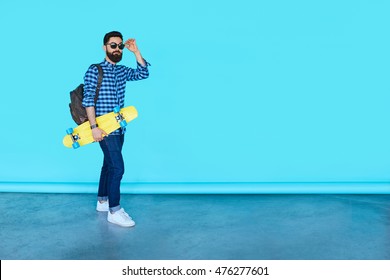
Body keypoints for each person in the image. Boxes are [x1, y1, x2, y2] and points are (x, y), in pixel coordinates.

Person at [82, 31, 150, 227]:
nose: (117, 49)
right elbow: (88, 101)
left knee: (108, 165)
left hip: (119, 127)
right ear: (105, 47)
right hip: (103, 129)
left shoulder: (121, 71)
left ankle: (103, 201)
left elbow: (143, 73)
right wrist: (94, 127)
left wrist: (136, 52)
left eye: (120, 46)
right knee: (118, 168)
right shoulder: (95, 70)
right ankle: (115, 210)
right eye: (113, 45)